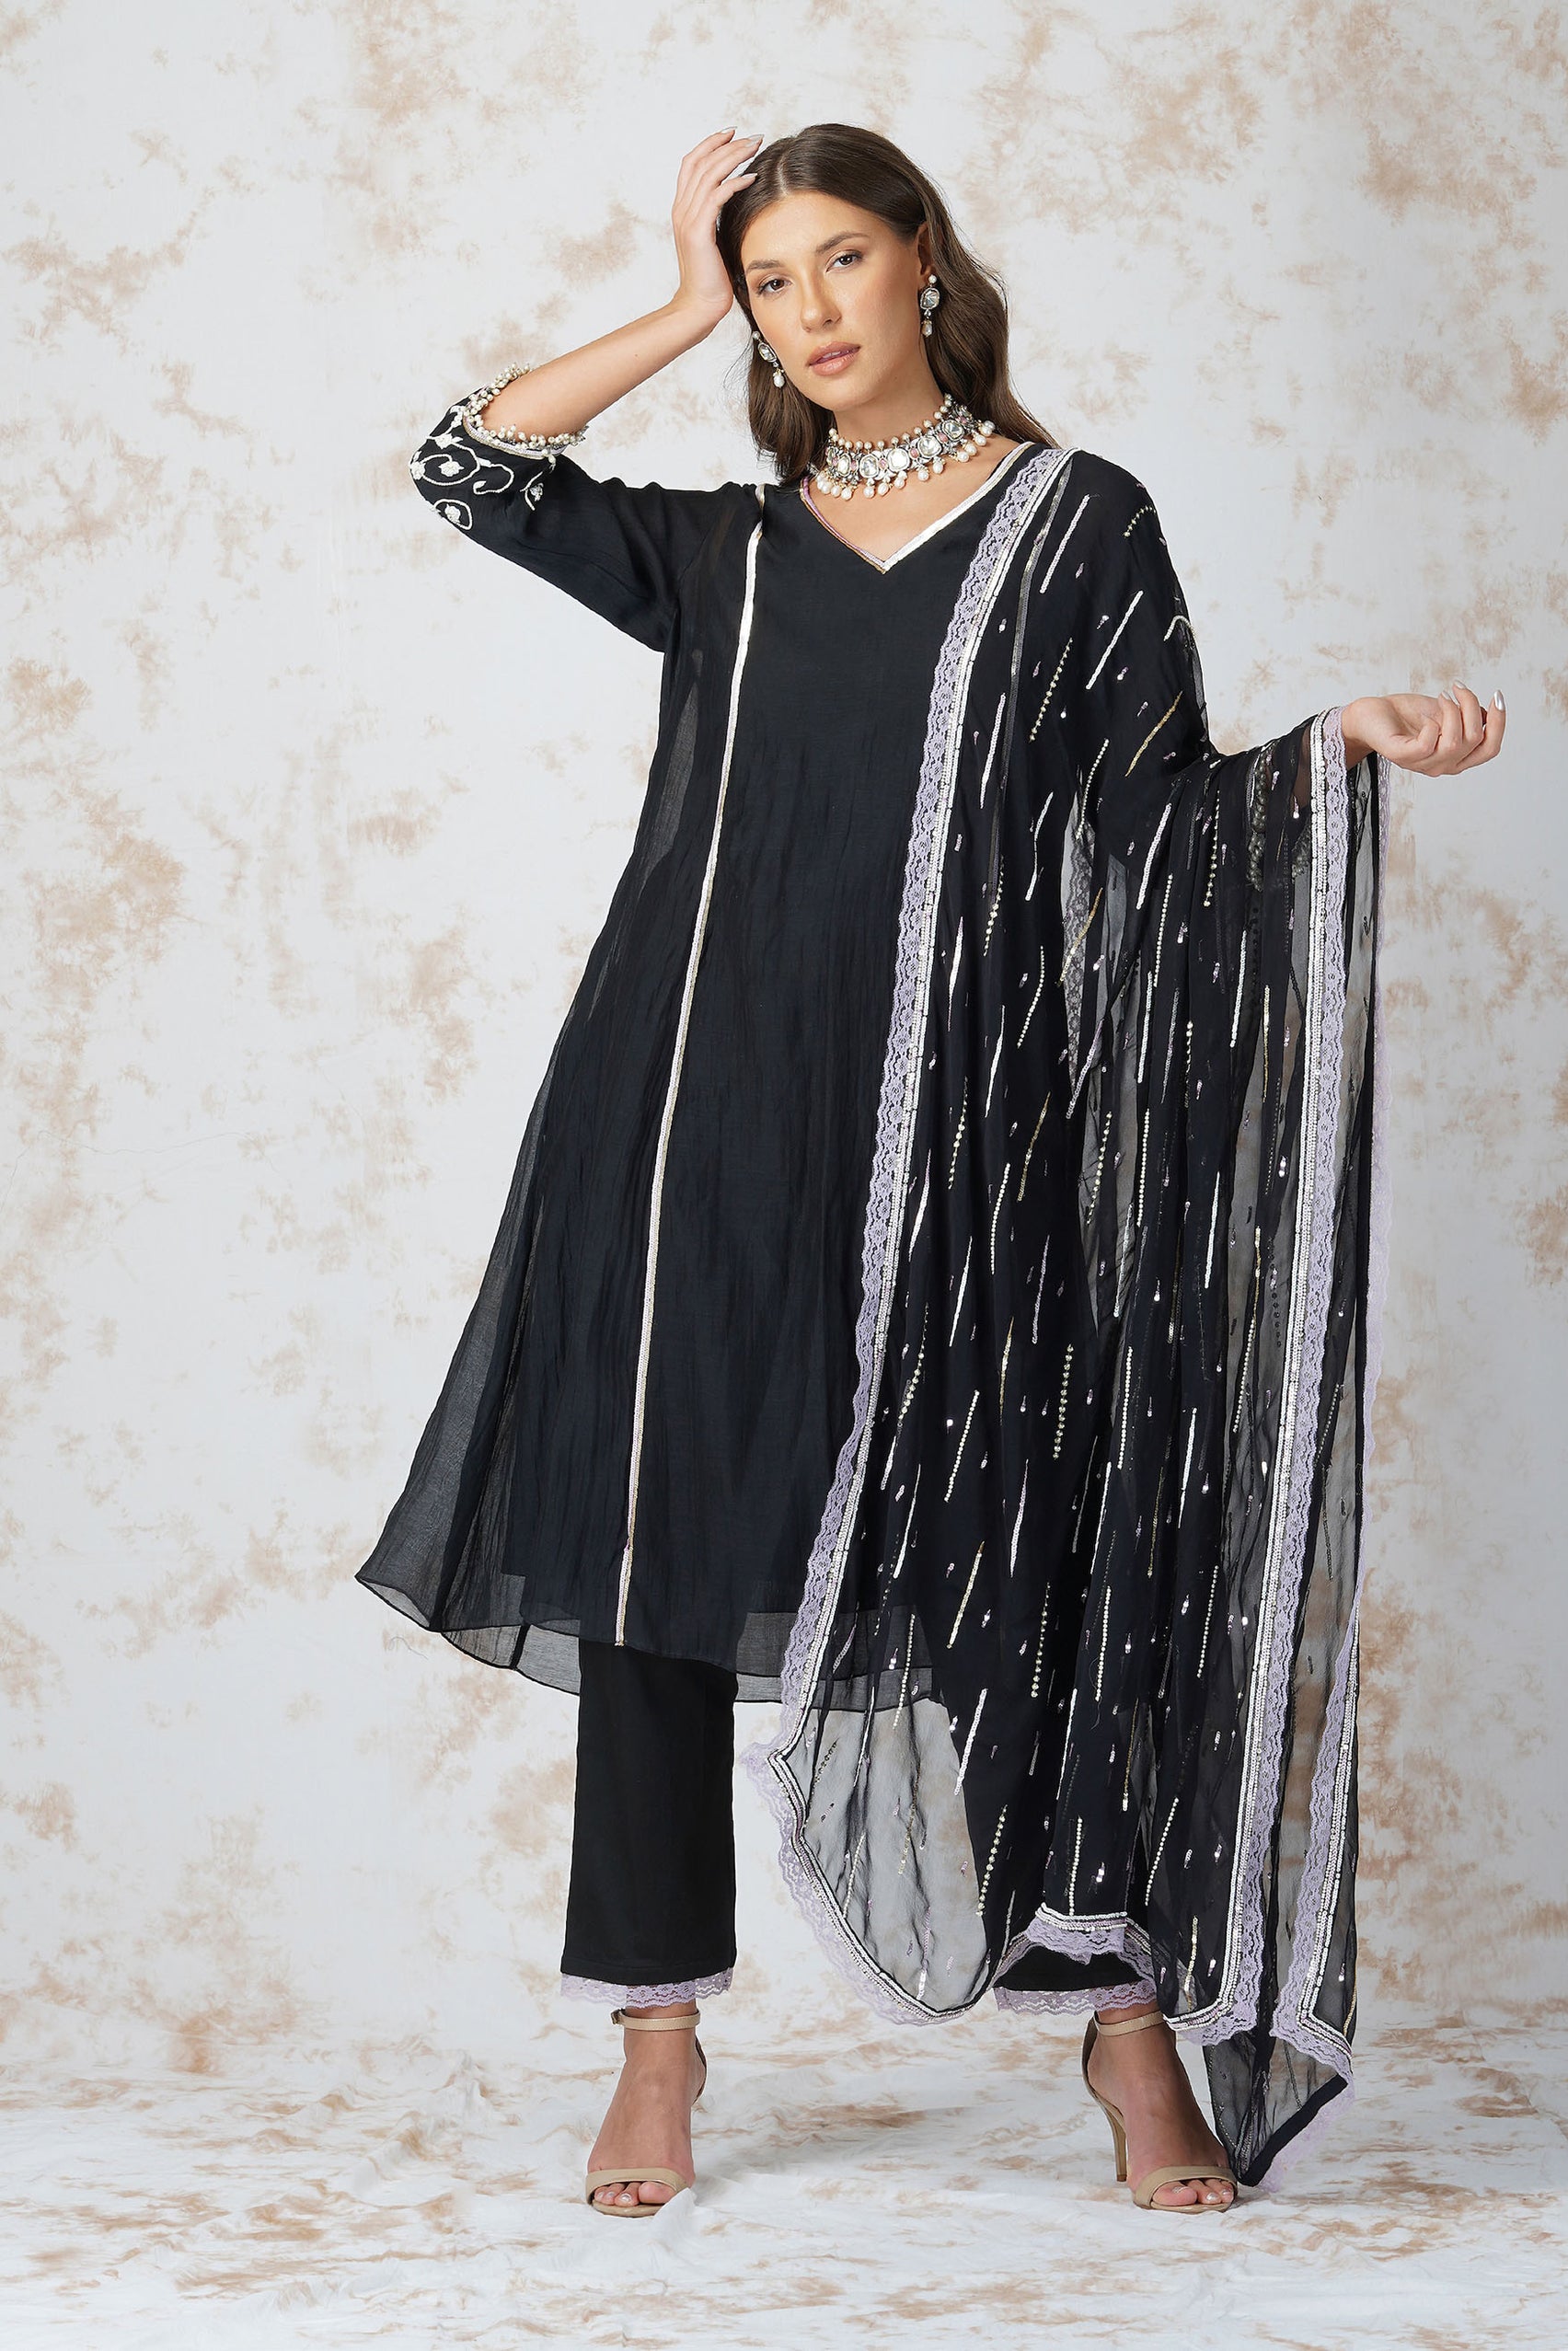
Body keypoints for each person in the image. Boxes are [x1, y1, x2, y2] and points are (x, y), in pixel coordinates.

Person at [358, 121, 1505, 2218]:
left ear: (923, 266)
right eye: (768, 282)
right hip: (685, 1121)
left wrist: (1326, 747)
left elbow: (1154, 821)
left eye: (835, 261)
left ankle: (1120, 2021)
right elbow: (471, 466)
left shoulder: (1074, 526)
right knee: (653, 1562)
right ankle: (656, 2037)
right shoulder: (728, 555)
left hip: (967, 1142)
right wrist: (673, 297)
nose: (807, 310)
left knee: (1011, 1551)